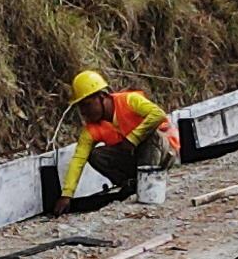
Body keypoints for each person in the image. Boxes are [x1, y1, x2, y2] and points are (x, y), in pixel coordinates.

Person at [53, 69, 173, 212]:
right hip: (131, 159)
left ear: (103, 96)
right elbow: (78, 160)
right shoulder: (91, 130)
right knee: (96, 155)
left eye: (87, 104)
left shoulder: (129, 101)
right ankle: (130, 184)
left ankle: (147, 183)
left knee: (152, 136)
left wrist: (134, 138)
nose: (84, 112)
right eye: (80, 107)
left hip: (157, 154)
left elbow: (158, 114)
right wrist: (67, 195)